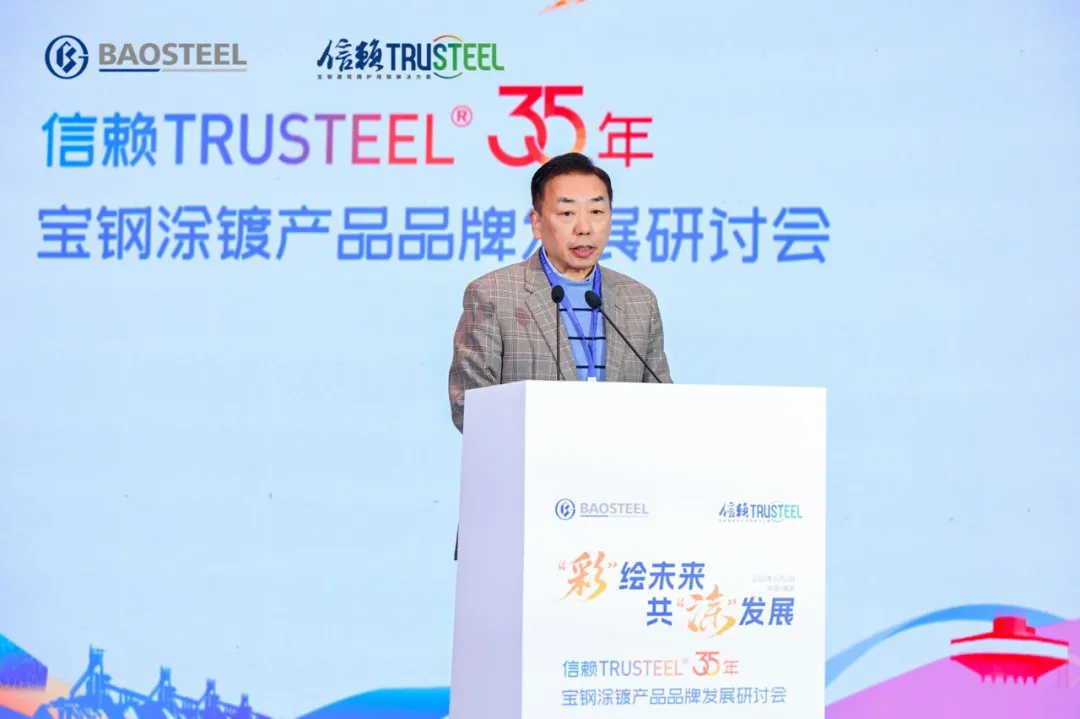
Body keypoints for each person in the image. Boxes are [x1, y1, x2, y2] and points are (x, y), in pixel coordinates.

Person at [447, 153, 673, 557]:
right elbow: (469, 405)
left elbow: (662, 399)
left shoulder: (639, 300)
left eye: (597, 211)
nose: (584, 227)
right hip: (522, 509)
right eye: (567, 213)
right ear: (537, 223)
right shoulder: (493, 294)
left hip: (620, 508)